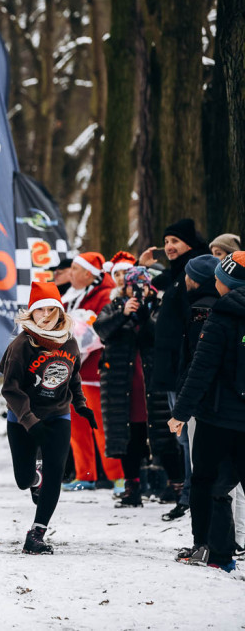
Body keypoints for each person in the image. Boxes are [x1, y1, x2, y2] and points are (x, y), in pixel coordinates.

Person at [0, 282, 94, 555]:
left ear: (60, 312)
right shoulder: (21, 344)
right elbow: (10, 388)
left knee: (56, 472)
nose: (46, 315)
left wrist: (80, 404)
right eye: (40, 310)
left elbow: (73, 375)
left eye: (52, 309)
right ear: (31, 313)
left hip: (58, 415)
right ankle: (33, 478)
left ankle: (36, 534)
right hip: (21, 418)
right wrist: (30, 421)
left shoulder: (69, 341)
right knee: (23, 478)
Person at [169, 252, 245, 574]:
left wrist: (181, 412)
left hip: (218, 417)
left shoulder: (222, 314)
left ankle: (212, 550)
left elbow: (201, 368)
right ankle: (220, 551)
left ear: (226, 282)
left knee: (206, 481)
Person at [140, 219, 210, 506]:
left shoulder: (194, 273)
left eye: (175, 242)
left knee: (186, 436)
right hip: (170, 365)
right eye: (166, 241)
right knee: (180, 436)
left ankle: (191, 495)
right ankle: (187, 494)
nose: (169, 247)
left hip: (182, 367)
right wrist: (142, 269)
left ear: (190, 245)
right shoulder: (177, 274)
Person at [95, 266, 176, 508]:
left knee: (163, 434)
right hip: (122, 386)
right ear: (125, 288)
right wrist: (124, 315)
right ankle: (133, 486)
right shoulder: (114, 307)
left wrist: (144, 318)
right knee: (129, 436)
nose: (138, 291)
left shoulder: (159, 308)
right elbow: (101, 330)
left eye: (142, 286)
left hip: (153, 384)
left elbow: (163, 334)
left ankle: (176, 484)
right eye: (133, 286)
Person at [61, 252, 122, 490]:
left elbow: (101, 328)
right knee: (76, 427)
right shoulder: (70, 296)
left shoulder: (104, 295)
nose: (70, 273)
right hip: (72, 370)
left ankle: (117, 475)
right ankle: (85, 473)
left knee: (100, 425)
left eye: (75, 269)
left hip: (94, 370)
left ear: (88, 273)